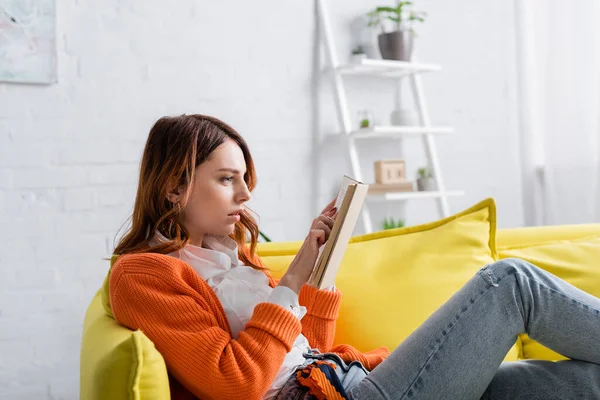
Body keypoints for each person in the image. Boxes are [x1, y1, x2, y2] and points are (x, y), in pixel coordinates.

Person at [109, 114, 600, 400]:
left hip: (352, 382)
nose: (245, 193)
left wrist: (319, 267)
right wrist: (294, 276)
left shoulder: (227, 255)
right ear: (174, 187)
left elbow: (307, 350)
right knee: (509, 284)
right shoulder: (144, 275)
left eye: (244, 178)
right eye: (225, 179)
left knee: (579, 381)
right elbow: (237, 382)